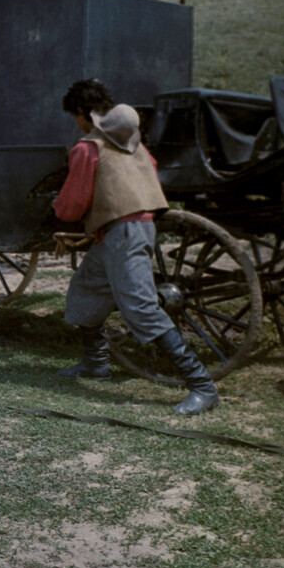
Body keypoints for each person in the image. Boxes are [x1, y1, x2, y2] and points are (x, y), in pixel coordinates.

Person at [52, 78, 219, 416]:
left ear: (83, 113)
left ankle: (202, 385)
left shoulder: (88, 148)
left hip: (124, 232)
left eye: (76, 117)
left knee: (141, 306)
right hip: (132, 228)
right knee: (87, 286)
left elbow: (72, 205)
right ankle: (96, 363)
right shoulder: (135, 144)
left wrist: (57, 210)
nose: (77, 124)